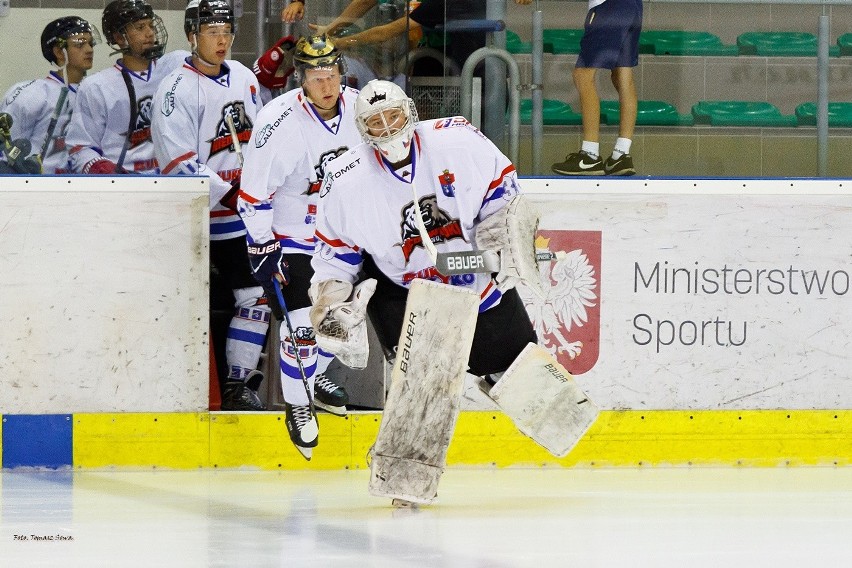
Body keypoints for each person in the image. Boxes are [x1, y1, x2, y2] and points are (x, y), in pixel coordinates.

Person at [309, 78, 538, 394]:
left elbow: (504, 195)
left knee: (524, 381)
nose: (388, 128)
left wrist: (503, 240)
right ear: (364, 130)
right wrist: (332, 305)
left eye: (393, 116)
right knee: (422, 398)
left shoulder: (458, 141)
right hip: (408, 294)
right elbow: (335, 254)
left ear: (410, 112)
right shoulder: (346, 180)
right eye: (376, 122)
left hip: (477, 282)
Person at [237, 34, 360, 459]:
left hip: (344, 235)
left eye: (332, 75)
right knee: (304, 328)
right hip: (293, 236)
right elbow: (252, 194)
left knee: (344, 322)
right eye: (316, 77)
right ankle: (299, 403)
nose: (327, 85)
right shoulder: (278, 121)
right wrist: (262, 244)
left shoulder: (361, 109)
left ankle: (313, 376)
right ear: (301, 80)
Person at [151, 0, 269, 411]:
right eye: (212, 32)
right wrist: (230, 192)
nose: (222, 40)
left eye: (227, 32)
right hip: (194, 219)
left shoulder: (242, 76)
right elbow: (179, 161)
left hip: (241, 220)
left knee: (256, 296)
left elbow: (261, 140)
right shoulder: (175, 89)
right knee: (176, 302)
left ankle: (239, 384)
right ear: (192, 36)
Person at [66, 0, 189, 174]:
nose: (150, 34)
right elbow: (80, 148)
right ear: (119, 37)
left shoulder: (175, 68)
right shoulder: (96, 87)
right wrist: (103, 168)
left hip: (171, 183)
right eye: (140, 28)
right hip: (123, 187)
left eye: (151, 26)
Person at [551, 0, 642, 176]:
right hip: (633, 6)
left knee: (583, 75)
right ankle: (621, 155)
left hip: (609, 6)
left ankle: (590, 156)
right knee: (623, 77)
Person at [0, 16, 99, 174]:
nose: (89, 50)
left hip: (83, 187)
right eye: (80, 44)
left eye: (91, 43)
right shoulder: (32, 93)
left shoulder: (95, 93)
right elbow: (6, 148)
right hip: (37, 189)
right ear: (59, 51)